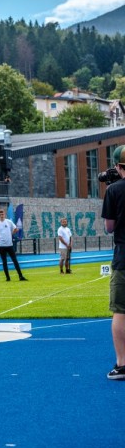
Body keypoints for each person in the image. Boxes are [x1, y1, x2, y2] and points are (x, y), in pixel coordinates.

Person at [101, 145, 125, 380]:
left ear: (118, 167)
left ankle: (122, 364)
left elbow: (109, 227)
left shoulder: (114, 190)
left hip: (124, 256)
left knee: (120, 311)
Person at [0, 208, 27, 282]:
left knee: (15, 260)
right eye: (0, 214)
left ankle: (20, 276)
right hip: (1, 245)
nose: (1, 215)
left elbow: (16, 229)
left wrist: (11, 233)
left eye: (2, 214)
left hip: (9, 245)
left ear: (4, 214)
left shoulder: (9, 222)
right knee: (4, 262)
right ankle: (8, 278)